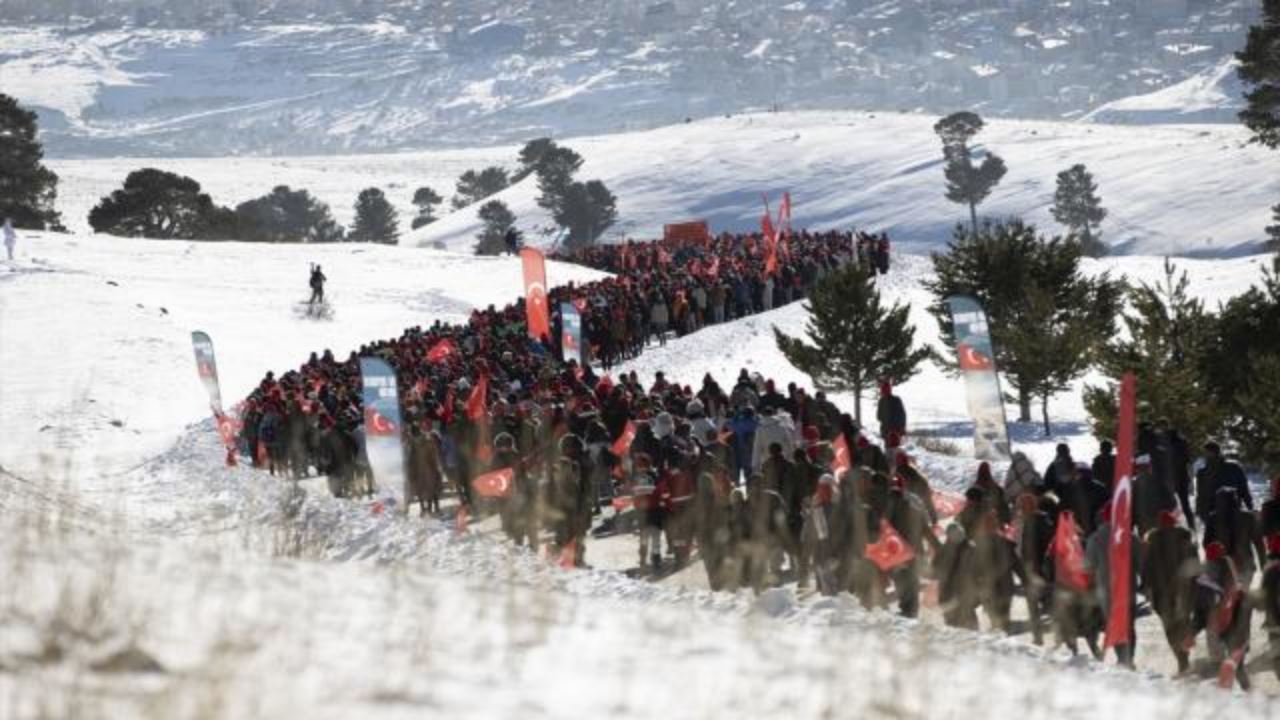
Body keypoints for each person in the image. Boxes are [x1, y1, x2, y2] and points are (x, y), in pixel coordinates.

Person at [1141, 510, 1199, 674]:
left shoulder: (1153, 543)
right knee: (1183, 624)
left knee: (1170, 628)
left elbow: (1147, 570)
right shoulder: (1186, 541)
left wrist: (1146, 588)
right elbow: (1196, 569)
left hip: (1162, 594)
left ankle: (1182, 661)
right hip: (1185, 593)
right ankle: (1185, 659)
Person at [1196, 442, 1253, 527]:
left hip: (1230, 508)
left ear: (1215, 453)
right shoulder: (1202, 473)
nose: (1206, 456)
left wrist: (1249, 505)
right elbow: (1200, 493)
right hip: (1214, 511)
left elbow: (1243, 487)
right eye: (1206, 453)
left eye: (1208, 453)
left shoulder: (1233, 468)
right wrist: (1199, 510)